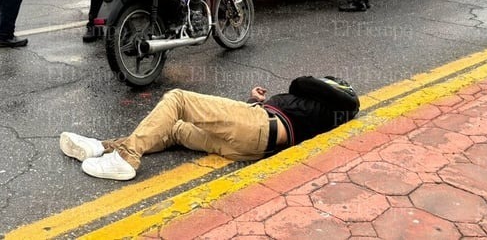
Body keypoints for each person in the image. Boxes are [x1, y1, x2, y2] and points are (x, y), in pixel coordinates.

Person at [59, 76, 359, 181]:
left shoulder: (340, 105)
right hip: (247, 143)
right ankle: (101, 147)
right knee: (175, 129)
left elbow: (301, 83)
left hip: (257, 127)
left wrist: (321, 82)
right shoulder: (315, 107)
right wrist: (253, 101)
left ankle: (126, 158)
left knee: (178, 99)